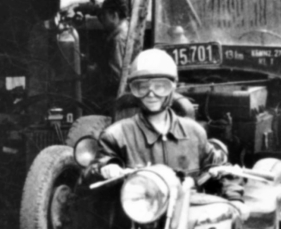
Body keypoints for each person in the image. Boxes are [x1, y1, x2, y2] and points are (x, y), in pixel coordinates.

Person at [92, 49, 243, 203]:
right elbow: (94, 175)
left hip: (187, 213)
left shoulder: (195, 132)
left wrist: (235, 199)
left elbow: (220, 170)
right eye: (142, 87)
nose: (151, 94)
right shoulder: (116, 135)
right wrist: (106, 169)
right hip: (141, 214)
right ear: (134, 90)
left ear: (173, 87)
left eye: (160, 86)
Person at [98, 0, 130, 97]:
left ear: (114, 15)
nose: (102, 19)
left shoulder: (118, 39)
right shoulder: (129, 30)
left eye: (104, 15)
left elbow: (116, 76)